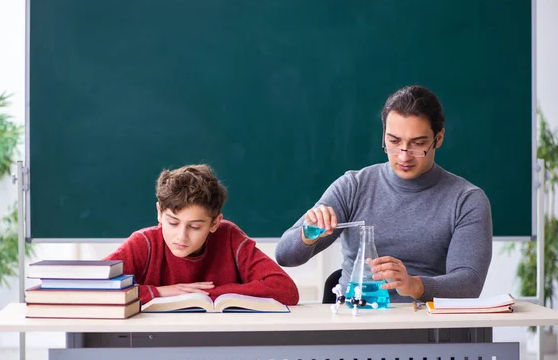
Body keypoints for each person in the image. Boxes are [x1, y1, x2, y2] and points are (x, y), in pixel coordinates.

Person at [275, 85, 492, 303]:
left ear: (439, 138)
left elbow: (469, 283)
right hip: (355, 323)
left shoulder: (466, 200)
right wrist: (308, 234)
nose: (404, 156)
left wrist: (414, 285)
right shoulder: (353, 186)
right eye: (394, 142)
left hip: (426, 326)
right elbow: (285, 256)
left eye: (418, 144)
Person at [104, 164, 299, 306]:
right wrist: (159, 292)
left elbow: (285, 290)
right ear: (159, 213)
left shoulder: (229, 238)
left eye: (195, 227)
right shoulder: (144, 243)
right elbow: (94, 288)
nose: (181, 236)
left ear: (215, 222)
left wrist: (200, 295)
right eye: (172, 223)